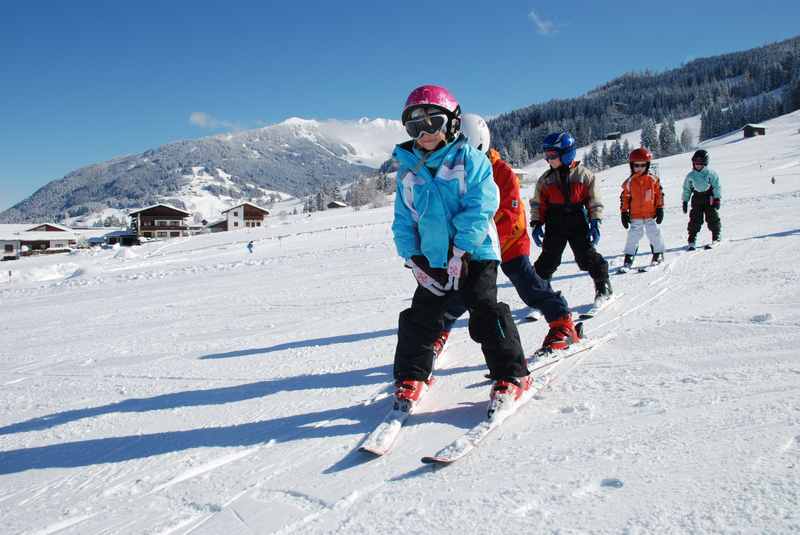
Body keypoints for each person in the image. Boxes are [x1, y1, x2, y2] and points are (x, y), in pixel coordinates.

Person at [391, 85, 530, 412]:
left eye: (433, 123)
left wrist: (462, 250)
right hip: (434, 256)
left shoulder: (469, 160)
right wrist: (413, 258)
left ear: (452, 123)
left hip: (477, 251)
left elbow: (482, 206)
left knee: (483, 310)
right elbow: (403, 220)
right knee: (421, 317)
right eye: (415, 126)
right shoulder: (408, 171)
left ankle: (512, 375)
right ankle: (413, 375)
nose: (424, 133)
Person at [435, 113, 579, 358]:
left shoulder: (501, 172)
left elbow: (509, 212)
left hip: (509, 239)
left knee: (525, 282)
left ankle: (562, 322)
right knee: (460, 287)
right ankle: (440, 332)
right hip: (474, 244)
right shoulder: (455, 170)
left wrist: (477, 239)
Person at [529, 132, 612, 304]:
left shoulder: (584, 175)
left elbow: (593, 200)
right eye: (547, 156)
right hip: (554, 221)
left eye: (553, 156)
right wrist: (537, 223)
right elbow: (538, 203)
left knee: (586, 256)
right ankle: (541, 295)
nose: (549, 160)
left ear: (567, 154)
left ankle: (603, 286)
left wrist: (595, 220)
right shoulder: (546, 179)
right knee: (548, 259)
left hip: (577, 220)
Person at [619, 147, 666, 270]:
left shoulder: (652, 180)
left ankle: (658, 253)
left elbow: (659, 195)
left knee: (654, 233)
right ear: (631, 166)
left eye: (642, 165)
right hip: (636, 215)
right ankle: (629, 256)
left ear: (648, 165)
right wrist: (624, 212)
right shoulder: (630, 182)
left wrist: (660, 208)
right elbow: (625, 198)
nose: (639, 168)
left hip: (650, 214)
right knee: (633, 236)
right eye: (636, 165)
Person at [682, 149, 721, 249]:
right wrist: (685, 201)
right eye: (695, 164)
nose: (697, 166)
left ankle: (716, 235)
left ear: (705, 163)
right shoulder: (691, 176)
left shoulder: (710, 174)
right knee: (695, 219)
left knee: (712, 217)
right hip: (697, 199)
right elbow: (687, 189)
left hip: (709, 198)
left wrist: (717, 198)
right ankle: (692, 238)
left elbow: (717, 186)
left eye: (700, 164)